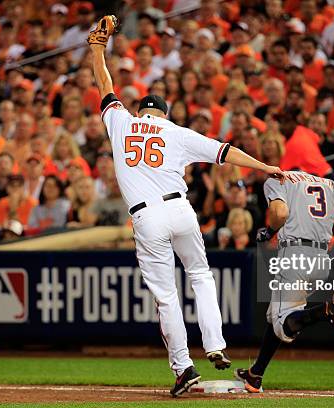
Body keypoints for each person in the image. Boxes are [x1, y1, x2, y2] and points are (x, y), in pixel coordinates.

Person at [87, 16, 284, 396]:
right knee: (201, 275)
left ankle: (184, 368)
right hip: (180, 209)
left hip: (146, 216)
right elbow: (226, 152)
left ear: (142, 111)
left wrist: (97, 49)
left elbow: (105, 84)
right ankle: (215, 343)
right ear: (164, 113)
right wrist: (265, 167)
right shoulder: (176, 132)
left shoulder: (121, 122)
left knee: (166, 296)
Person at [235, 170, 334, 393]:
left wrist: (268, 232)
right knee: (275, 315)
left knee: (282, 325)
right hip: (321, 259)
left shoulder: (278, 179)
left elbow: (280, 212)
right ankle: (255, 374)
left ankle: (325, 311)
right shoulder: (330, 184)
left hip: (295, 254)